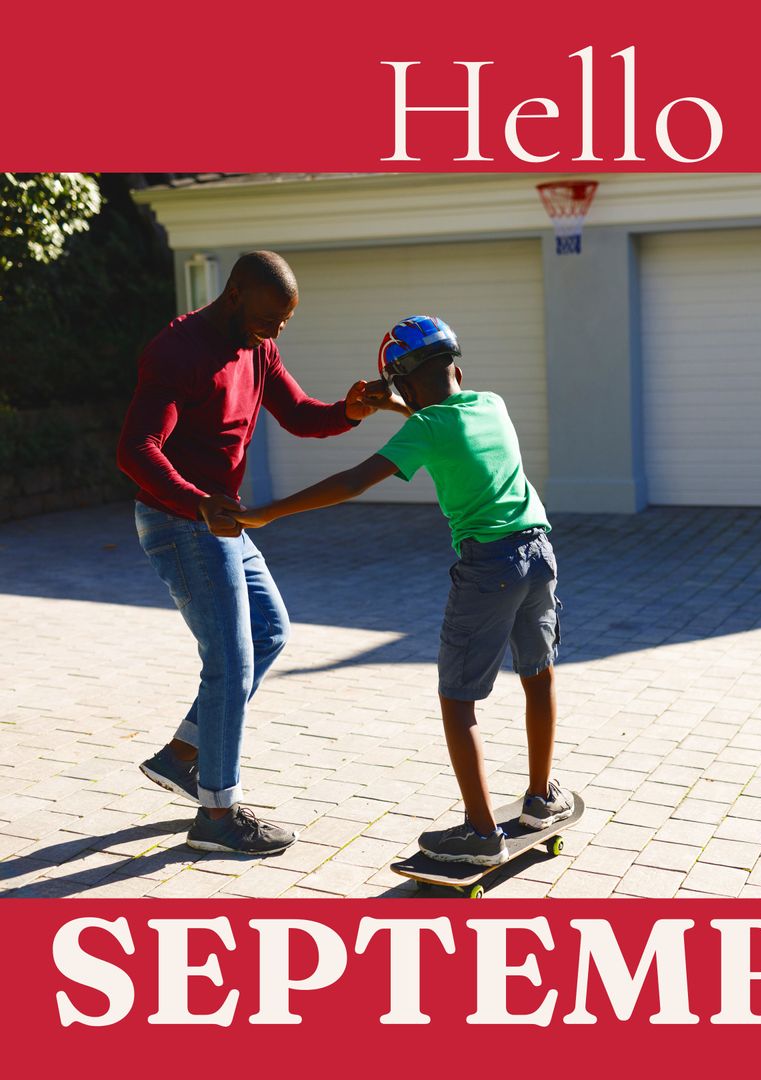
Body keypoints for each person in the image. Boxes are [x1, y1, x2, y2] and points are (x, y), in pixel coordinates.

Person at [224, 314, 573, 865]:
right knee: (539, 672)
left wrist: (267, 512)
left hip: (489, 568)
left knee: (458, 700)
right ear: (456, 369)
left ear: (405, 385)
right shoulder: (492, 405)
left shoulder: (424, 428)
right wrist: (396, 404)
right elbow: (444, 422)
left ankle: (482, 834)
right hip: (539, 553)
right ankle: (541, 798)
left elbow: (353, 481)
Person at [116, 250, 406, 855]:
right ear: (236, 294)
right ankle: (217, 816)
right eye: (270, 318)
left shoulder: (259, 347)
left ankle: (182, 755)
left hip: (221, 521)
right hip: (181, 521)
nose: (276, 331)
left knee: (270, 630)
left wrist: (348, 412)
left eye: (284, 322)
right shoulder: (176, 351)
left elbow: (298, 415)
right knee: (231, 660)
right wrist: (198, 502)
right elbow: (137, 449)